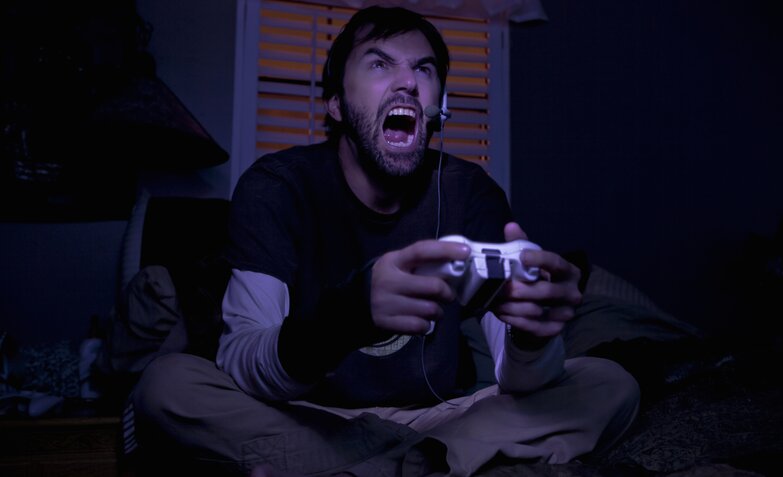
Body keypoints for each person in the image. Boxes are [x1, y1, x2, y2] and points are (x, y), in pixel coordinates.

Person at [132, 6, 640, 477]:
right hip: (308, 416)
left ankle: (387, 463)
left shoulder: (470, 193)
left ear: (439, 105)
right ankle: (421, 464)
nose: (407, 83)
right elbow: (244, 362)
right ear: (335, 103)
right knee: (165, 386)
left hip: (438, 417)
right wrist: (348, 315)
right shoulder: (278, 186)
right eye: (379, 65)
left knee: (611, 384)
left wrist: (532, 338)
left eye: (423, 70)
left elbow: (521, 381)